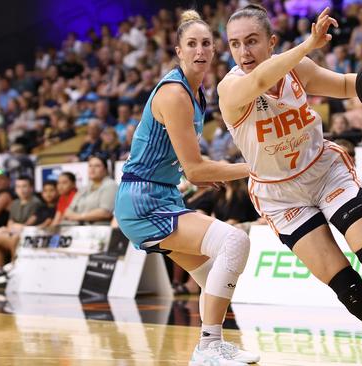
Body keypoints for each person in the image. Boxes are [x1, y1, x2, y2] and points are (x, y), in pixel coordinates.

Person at [218, 5, 362, 365]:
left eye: (252, 41)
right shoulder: (230, 88)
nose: (244, 52)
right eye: (235, 44)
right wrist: (307, 45)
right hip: (281, 198)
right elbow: (259, 83)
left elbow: (348, 85)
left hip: (323, 170)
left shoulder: (297, 69)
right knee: (348, 290)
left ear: (272, 42)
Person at [113, 11, 258, 366]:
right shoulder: (176, 93)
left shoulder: (197, 92)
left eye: (206, 43)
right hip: (143, 200)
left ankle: (214, 344)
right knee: (235, 241)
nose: (200, 50)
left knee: (212, 278)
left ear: (214, 49)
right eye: (191, 44)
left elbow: (185, 161)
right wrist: (256, 167)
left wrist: (197, 171)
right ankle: (207, 348)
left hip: (161, 194)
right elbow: (194, 168)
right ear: (179, 51)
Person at [63, 156, 117, 226]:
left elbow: (105, 213)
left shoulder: (111, 185)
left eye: (97, 166)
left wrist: (78, 217)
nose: (92, 169)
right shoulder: (84, 188)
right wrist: (81, 216)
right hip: (79, 228)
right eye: (90, 166)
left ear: (105, 169)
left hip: (99, 229)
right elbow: (68, 211)